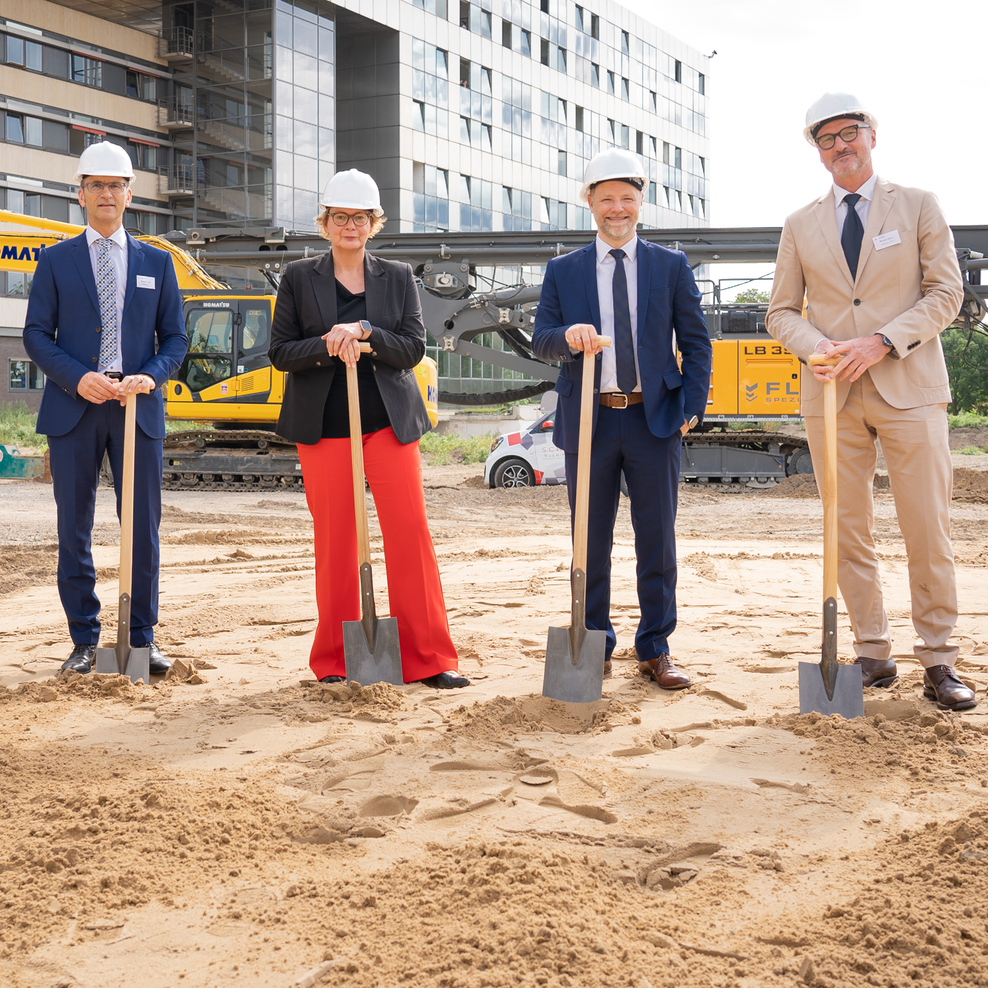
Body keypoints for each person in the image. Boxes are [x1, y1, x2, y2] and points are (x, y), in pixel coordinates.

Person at [766, 93, 974, 711]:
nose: (839, 145)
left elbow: (946, 292)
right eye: (825, 139)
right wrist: (818, 346)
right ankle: (872, 650)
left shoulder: (917, 205)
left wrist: (884, 340)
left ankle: (938, 657)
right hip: (832, 395)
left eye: (848, 132)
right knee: (846, 527)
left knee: (926, 526)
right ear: (818, 151)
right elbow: (780, 312)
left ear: (872, 135)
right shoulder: (800, 223)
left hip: (908, 389)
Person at [268, 169, 467, 689]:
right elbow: (281, 352)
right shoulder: (297, 277)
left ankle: (428, 657)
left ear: (374, 223)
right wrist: (328, 343)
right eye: (340, 217)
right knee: (336, 541)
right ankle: (335, 658)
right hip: (325, 430)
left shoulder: (398, 277)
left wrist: (366, 333)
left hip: (388, 427)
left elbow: (412, 348)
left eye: (359, 217)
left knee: (409, 536)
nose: (349, 225)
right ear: (325, 223)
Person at [531, 149, 712, 688]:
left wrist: (692, 407)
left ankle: (655, 647)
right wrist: (567, 338)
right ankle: (594, 644)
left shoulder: (670, 265)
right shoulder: (563, 271)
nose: (618, 209)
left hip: (654, 422)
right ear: (589, 202)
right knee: (589, 540)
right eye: (606, 198)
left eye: (627, 199)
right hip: (588, 422)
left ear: (640, 203)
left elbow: (697, 342)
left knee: (657, 538)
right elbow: (542, 340)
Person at [23, 141, 188, 675]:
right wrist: (79, 378)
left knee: (141, 526)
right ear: (80, 194)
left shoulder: (158, 264)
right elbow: (35, 335)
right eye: (96, 185)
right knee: (74, 527)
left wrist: (151, 377)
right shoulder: (54, 260)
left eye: (115, 185)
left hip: (137, 410)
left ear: (129, 195)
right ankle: (85, 640)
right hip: (75, 409)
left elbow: (176, 340)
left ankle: (141, 639)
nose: (106, 194)